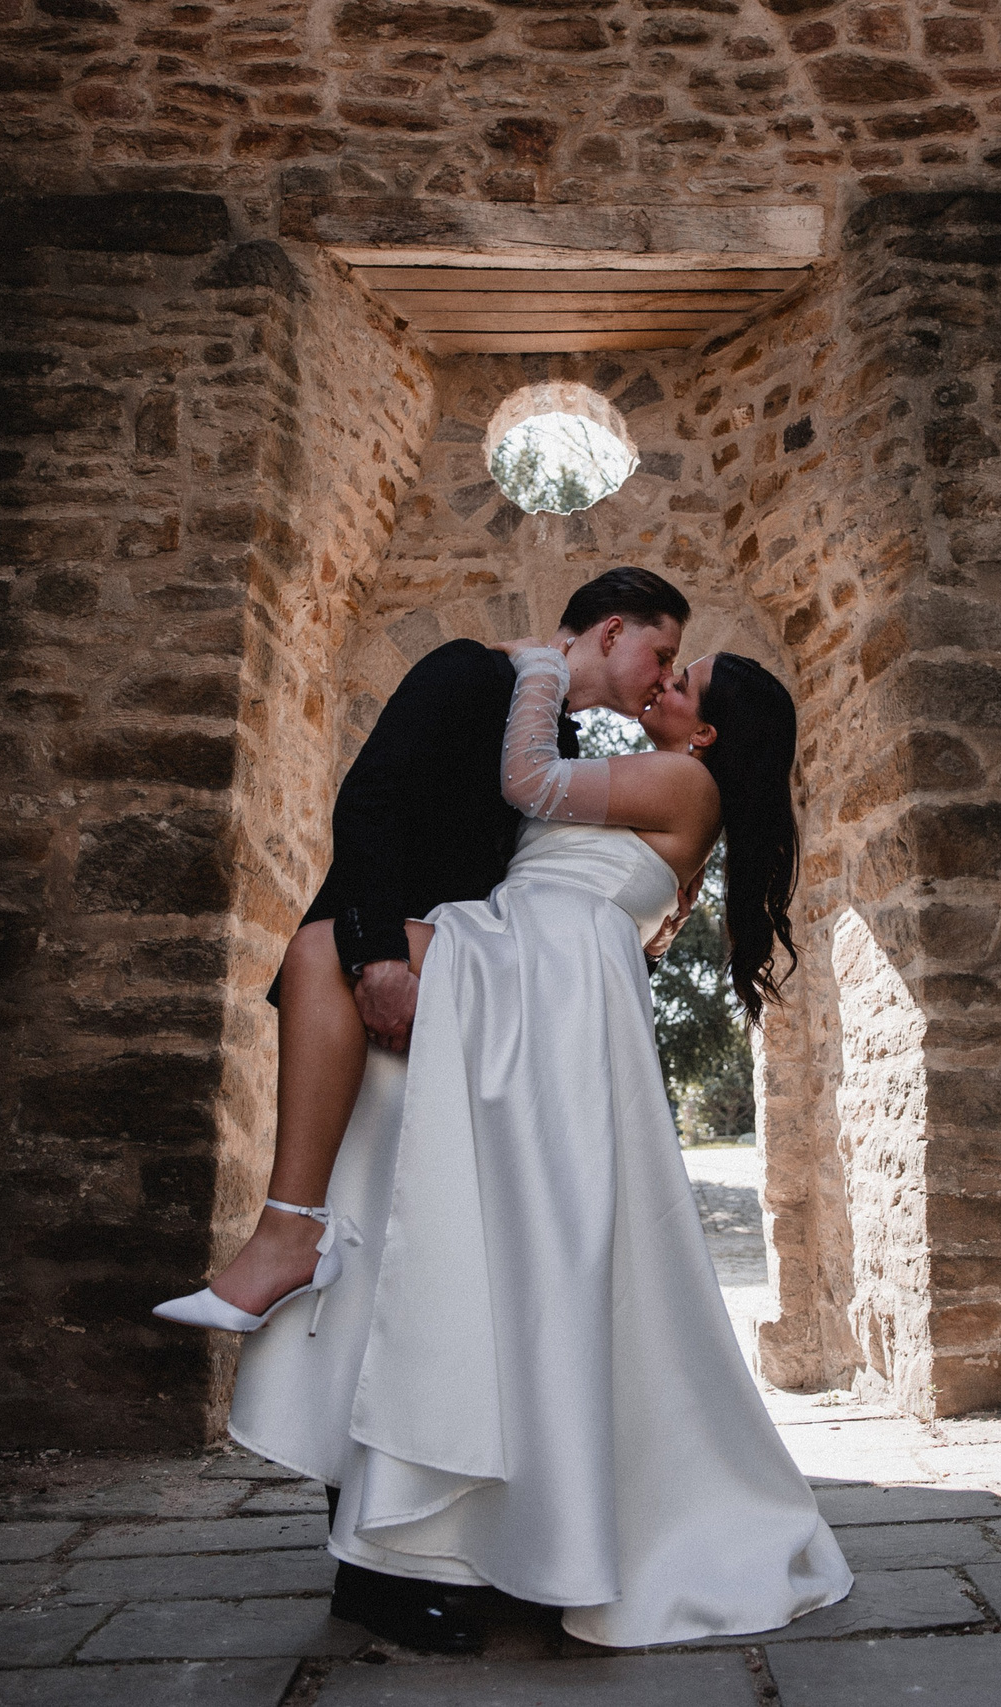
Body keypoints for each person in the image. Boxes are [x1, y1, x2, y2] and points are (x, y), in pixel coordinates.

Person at [217, 635, 850, 1648]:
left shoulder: (681, 782)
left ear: (707, 733)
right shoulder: (667, 790)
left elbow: (526, 780)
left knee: (324, 950)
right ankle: (431, 1534)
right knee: (471, 1250)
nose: (664, 683)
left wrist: (544, 665)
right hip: (536, 976)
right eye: (666, 663)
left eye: (682, 681)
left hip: (533, 977)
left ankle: (289, 1230)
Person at [152, 567, 691, 1651]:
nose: (660, 679)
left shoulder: (556, 742)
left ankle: (420, 1551)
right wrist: (372, 960)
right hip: (376, 1000)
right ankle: (372, 1570)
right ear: (612, 629)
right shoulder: (468, 675)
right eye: (660, 655)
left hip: (458, 1020)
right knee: (370, 1274)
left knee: (425, 1282)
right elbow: (370, 805)